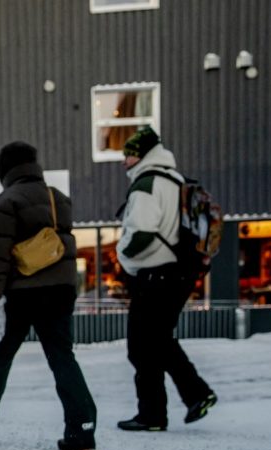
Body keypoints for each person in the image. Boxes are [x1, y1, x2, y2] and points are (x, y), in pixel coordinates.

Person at [0, 141, 97, 450]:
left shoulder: (6, 201)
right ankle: (82, 427)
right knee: (62, 357)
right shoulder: (58, 199)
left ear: (5, 170)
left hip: (22, 293)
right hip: (59, 291)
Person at [115, 127, 217, 432]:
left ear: (142, 155)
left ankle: (154, 414)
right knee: (158, 340)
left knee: (140, 345)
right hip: (179, 272)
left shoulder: (147, 184)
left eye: (129, 155)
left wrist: (122, 256)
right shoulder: (175, 180)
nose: (125, 161)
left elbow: (142, 234)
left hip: (155, 275)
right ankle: (192, 396)